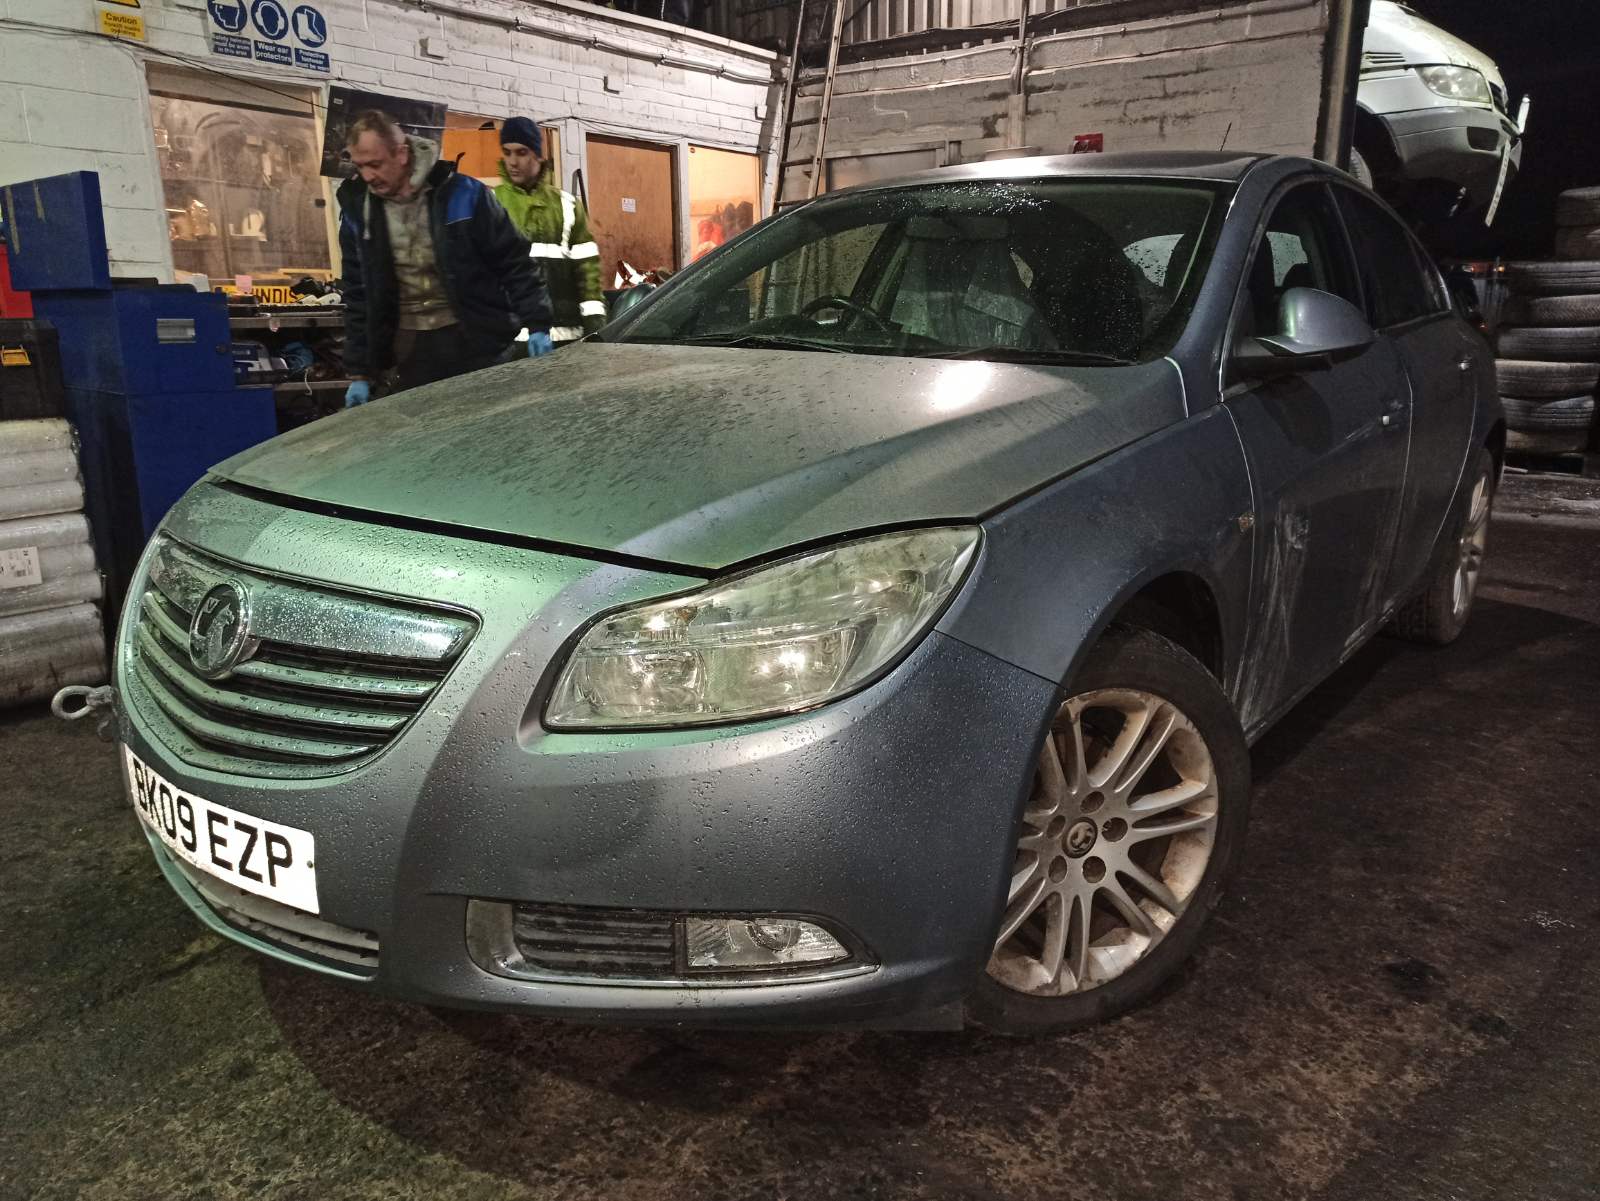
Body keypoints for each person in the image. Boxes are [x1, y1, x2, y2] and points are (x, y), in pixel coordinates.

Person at [337, 110, 553, 405]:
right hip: (409, 350)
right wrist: (360, 373)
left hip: (476, 341)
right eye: (360, 166)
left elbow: (513, 262)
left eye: (375, 164)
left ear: (401, 154)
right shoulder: (358, 214)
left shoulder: (464, 195)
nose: (367, 176)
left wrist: (538, 323)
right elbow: (358, 294)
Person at [492, 117, 607, 347]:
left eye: (521, 152)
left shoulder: (567, 205)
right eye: (507, 152)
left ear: (538, 155)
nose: (513, 162)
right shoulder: (491, 203)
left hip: (567, 337)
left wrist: (596, 324)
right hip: (511, 340)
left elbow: (587, 271)